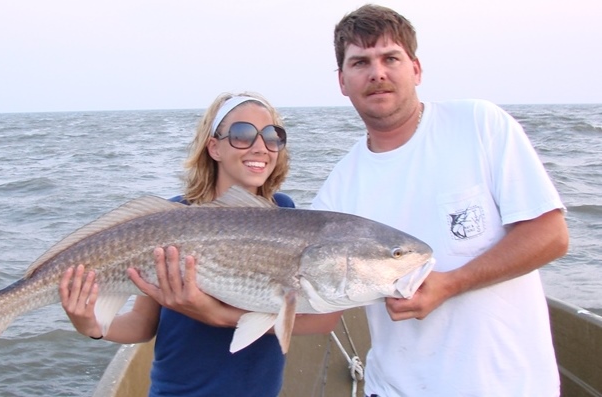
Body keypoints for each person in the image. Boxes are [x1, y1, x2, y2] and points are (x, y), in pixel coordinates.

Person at [311, 4, 569, 396]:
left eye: (390, 58)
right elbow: (320, 312)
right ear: (342, 81)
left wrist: (450, 284)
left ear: (415, 69)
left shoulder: (480, 125)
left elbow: (551, 235)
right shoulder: (339, 188)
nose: (377, 73)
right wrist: (213, 307)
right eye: (360, 62)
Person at [60, 92, 341, 396]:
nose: (260, 147)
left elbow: (314, 318)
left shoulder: (284, 213)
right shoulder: (171, 218)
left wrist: (220, 317)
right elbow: (142, 322)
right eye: (242, 134)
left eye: (273, 136)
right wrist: (90, 325)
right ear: (214, 147)